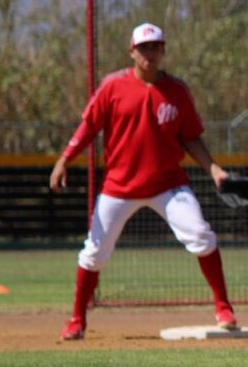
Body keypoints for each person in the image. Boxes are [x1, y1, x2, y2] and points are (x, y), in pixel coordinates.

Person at [50, 22, 238, 340]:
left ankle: (223, 307)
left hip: (168, 184)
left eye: (156, 47)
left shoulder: (177, 91)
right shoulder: (112, 87)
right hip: (119, 186)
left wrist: (214, 170)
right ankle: (77, 319)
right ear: (132, 52)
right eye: (144, 48)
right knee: (94, 253)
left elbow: (191, 138)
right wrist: (64, 159)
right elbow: (89, 127)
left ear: (163, 50)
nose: (150, 53)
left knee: (201, 235)